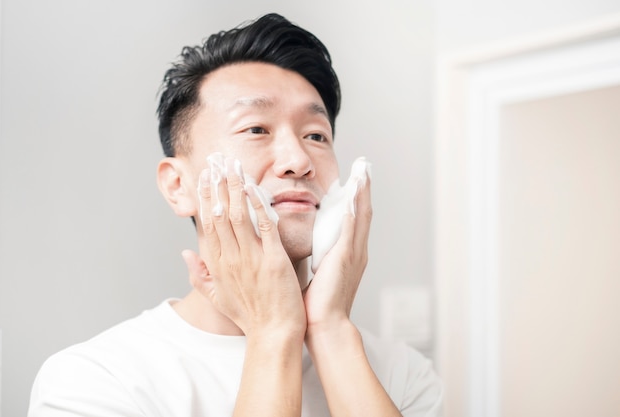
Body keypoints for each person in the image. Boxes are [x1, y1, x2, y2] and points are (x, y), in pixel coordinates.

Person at [28, 13, 442, 417]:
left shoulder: (403, 375)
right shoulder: (94, 380)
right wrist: (273, 334)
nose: (298, 160)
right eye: (256, 130)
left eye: (316, 136)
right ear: (178, 185)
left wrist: (331, 332)